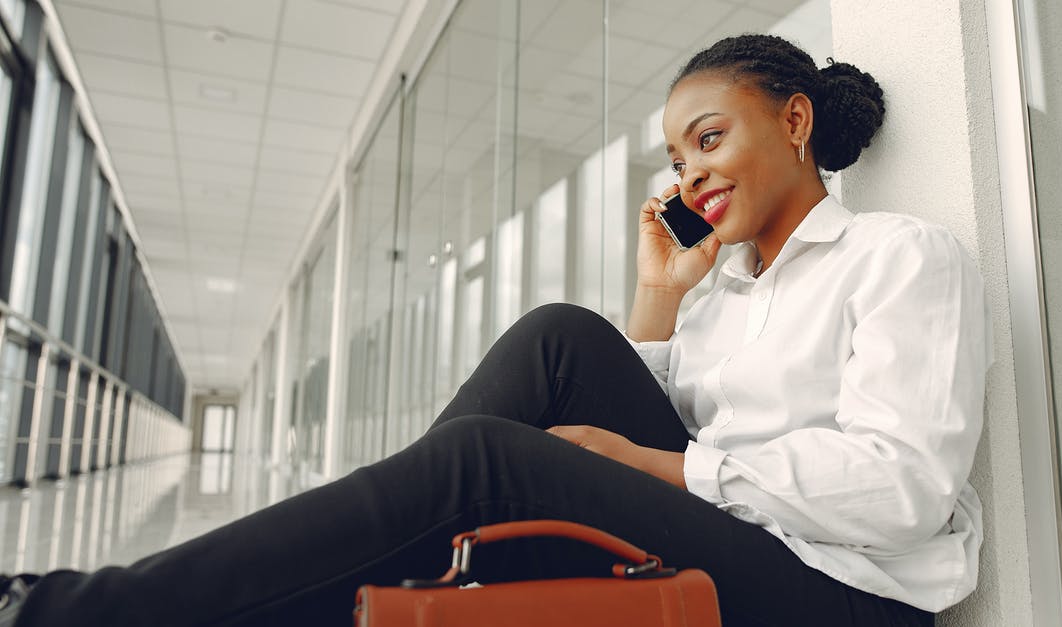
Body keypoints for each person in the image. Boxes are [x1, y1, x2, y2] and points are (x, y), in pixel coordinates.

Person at [0, 34, 989, 626]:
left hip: (844, 599)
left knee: (480, 459)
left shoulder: (900, 255)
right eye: (676, 157)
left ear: (798, 123)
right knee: (560, 332)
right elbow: (655, 411)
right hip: (744, 537)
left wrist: (664, 470)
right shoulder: (729, 290)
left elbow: (905, 489)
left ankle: (80, 614)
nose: (688, 174)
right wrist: (663, 291)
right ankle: (377, 577)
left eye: (710, 138)